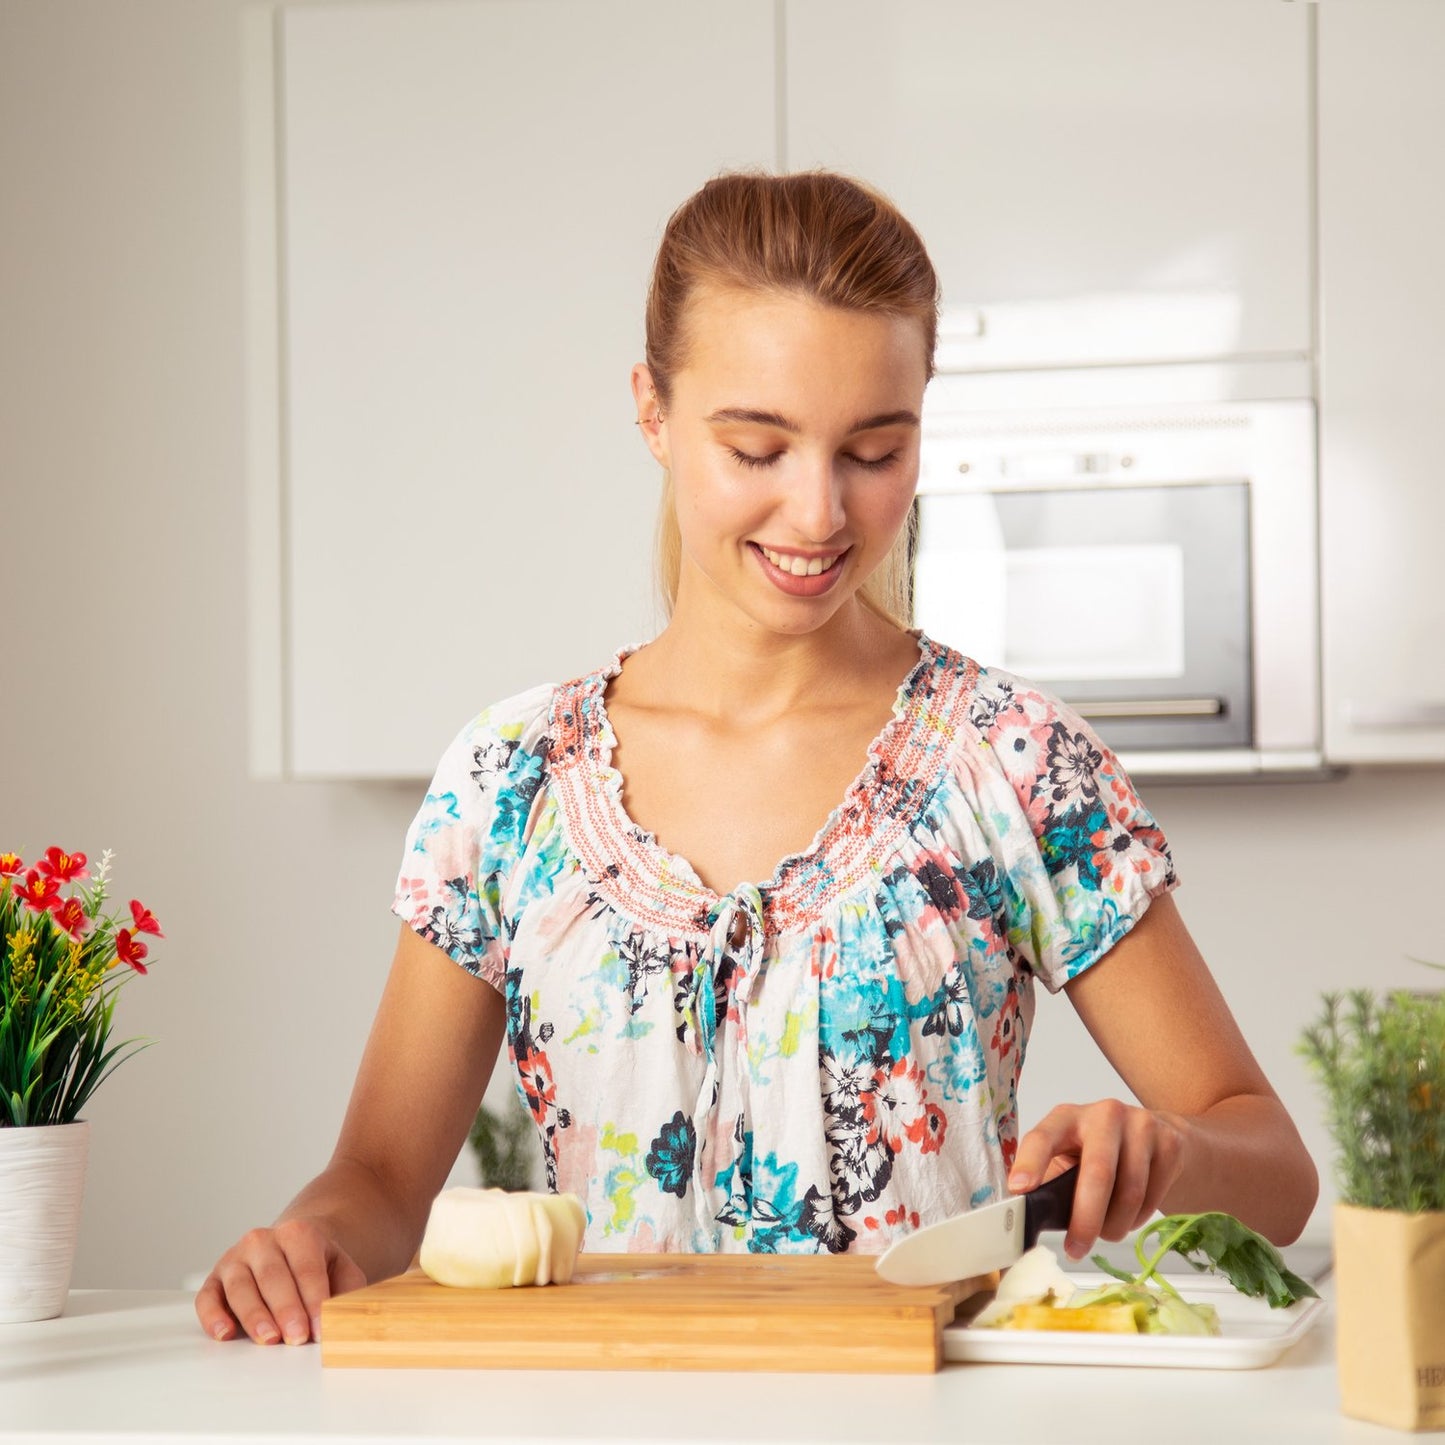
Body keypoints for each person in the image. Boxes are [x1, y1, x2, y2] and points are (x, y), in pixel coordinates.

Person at [195, 171, 1318, 1346]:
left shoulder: (1016, 764)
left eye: (872, 451)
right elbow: (375, 1179)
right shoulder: (509, 777)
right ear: (651, 410)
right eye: (757, 446)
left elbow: (1275, 1171)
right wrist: (306, 1242)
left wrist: (1169, 1146)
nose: (817, 511)